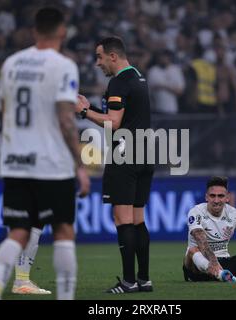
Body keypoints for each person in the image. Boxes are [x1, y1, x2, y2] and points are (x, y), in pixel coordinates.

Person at [0, 7, 90, 300]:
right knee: (63, 231)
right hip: (50, 163)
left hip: (15, 161)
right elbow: (66, 119)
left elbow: (4, 109)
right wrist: (79, 164)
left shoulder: (11, 64)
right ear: (62, 32)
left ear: (34, 31)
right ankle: (65, 297)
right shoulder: (63, 65)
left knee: (18, 231)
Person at [75, 36, 154, 294]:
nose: (97, 63)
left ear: (112, 56)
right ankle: (144, 280)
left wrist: (85, 113)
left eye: (99, 57)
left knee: (123, 220)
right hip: (145, 153)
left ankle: (129, 282)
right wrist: (93, 107)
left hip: (124, 155)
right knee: (138, 219)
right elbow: (121, 115)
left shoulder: (119, 81)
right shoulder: (138, 78)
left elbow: (114, 122)